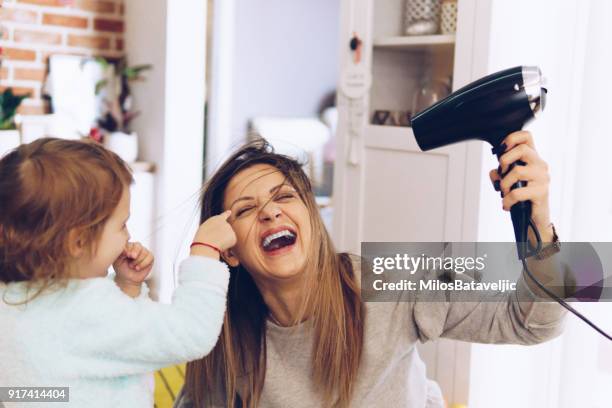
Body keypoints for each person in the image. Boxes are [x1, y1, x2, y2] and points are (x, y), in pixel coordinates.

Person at [177, 132, 567, 408]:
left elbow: (538, 323)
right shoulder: (218, 332)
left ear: (312, 215)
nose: (270, 211)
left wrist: (542, 222)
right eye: (245, 209)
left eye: (284, 196)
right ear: (230, 251)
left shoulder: (391, 278)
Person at [0, 138, 236, 407]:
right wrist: (205, 252)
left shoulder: (11, 300)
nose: (128, 235)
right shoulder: (87, 309)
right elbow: (191, 333)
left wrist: (126, 286)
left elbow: (33, 387)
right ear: (78, 242)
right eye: (122, 224)